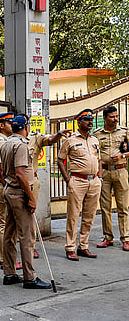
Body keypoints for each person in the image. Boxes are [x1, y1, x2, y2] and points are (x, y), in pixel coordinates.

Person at [0, 114, 51, 289]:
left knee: (9, 234)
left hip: (9, 190)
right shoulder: (21, 145)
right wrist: (31, 197)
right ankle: (29, 277)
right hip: (19, 192)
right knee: (27, 236)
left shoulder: (6, 143)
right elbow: (21, 174)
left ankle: (9, 273)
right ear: (26, 127)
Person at [57, 109, 102, 261]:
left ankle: (83, 246)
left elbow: (99, 160)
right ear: (79, 122)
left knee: (90, 215)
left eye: (91, 119)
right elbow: (60, 160)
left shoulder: (95, 140)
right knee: (73, 215)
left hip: (94, 181)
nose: (90, 122)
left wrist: (99, 177)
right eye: (86, 119)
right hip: (77, 181)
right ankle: (70, 247)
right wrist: (67, 179)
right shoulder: (69, 140)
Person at [28, 121, 71, 258]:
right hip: (14, 182)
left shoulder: (35, 137)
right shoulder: (9, 141)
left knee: (31, 216)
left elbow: (50, 139)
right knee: (10, 219)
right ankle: (5, 254)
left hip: (31, 181)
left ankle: (31, 247)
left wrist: (58, 134)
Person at [93, 106, 129, 251]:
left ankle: (126, 238)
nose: (115, 119)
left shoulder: (124, 132)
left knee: (123, 207)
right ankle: (108, 237)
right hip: (105, 173)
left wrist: (123, 155)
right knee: (105, 207)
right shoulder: (97, 134)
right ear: (105, 118)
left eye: (116, 116)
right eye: (112, 117)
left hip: (121, 171)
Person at [0, 112, 22, 269]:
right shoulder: (1, 143)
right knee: (4, 223)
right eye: (10, 123)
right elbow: (2, 170)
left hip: (0, 184)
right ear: (2, 125)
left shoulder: (0, 140)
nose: (12, 125)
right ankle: (5, 258)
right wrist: (8, 187)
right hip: (3, 185)